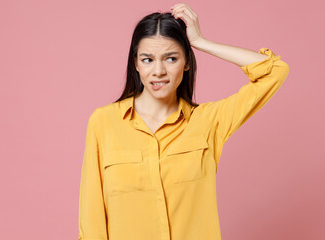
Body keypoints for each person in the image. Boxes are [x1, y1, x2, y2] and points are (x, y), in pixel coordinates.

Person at [78, 3, 289, 240]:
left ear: (186, 62)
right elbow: (91, 221)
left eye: (171, 58)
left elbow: (274, 71)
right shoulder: (104, 122)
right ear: (136, 64)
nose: (158, 71)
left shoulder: (209, 122)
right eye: (147, 60)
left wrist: (200, 43)